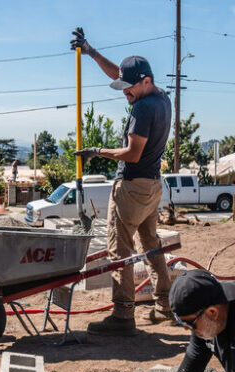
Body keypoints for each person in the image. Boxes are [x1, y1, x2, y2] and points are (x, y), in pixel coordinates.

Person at [70, 27, 173, 336]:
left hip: (130, 187)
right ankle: (165, 305)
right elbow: (122, 74)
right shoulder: (161, 98)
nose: (124, 93)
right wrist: (91, 52)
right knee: (151, 245)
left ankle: (122, 316)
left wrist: (96, 151)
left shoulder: (142, 108)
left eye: (129, 88)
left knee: (119, 251)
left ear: (146, 82)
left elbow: (132, 152)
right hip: (152, 186)